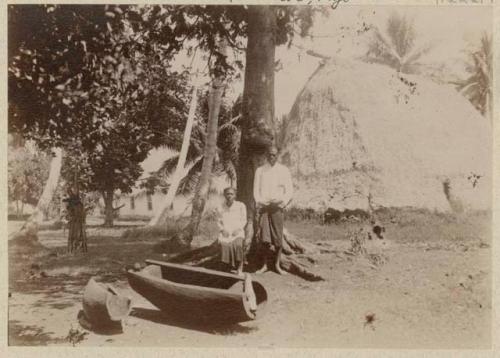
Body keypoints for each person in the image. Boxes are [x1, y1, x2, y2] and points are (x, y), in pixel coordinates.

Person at [254, 146, 293, 275]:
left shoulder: (284, 170)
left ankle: (277, 265)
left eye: (274, 155)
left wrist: (282, 202)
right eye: (270, 155)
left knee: (278, 237)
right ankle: (264, 265)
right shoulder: (260, 171)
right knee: (265, 238)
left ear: (278, 155)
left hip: (277, 207)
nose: (272, 157)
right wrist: (260, 201)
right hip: (265, 207)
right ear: (266, 155)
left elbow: (289, 191)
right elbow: (256, 191)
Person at [216, 187, 248, 275]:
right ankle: (226, 267)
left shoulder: (241, 205)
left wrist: (238, 229)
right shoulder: (220, 207)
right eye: (227, 194)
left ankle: (239, 268)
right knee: (224, 245)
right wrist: (222, 230)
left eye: (231, 194)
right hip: (225, 232)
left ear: (235, 195)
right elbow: (218, 220)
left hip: (237, 232)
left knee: (238, 245)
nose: (229, 196)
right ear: (224, 195)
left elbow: (244, 220)